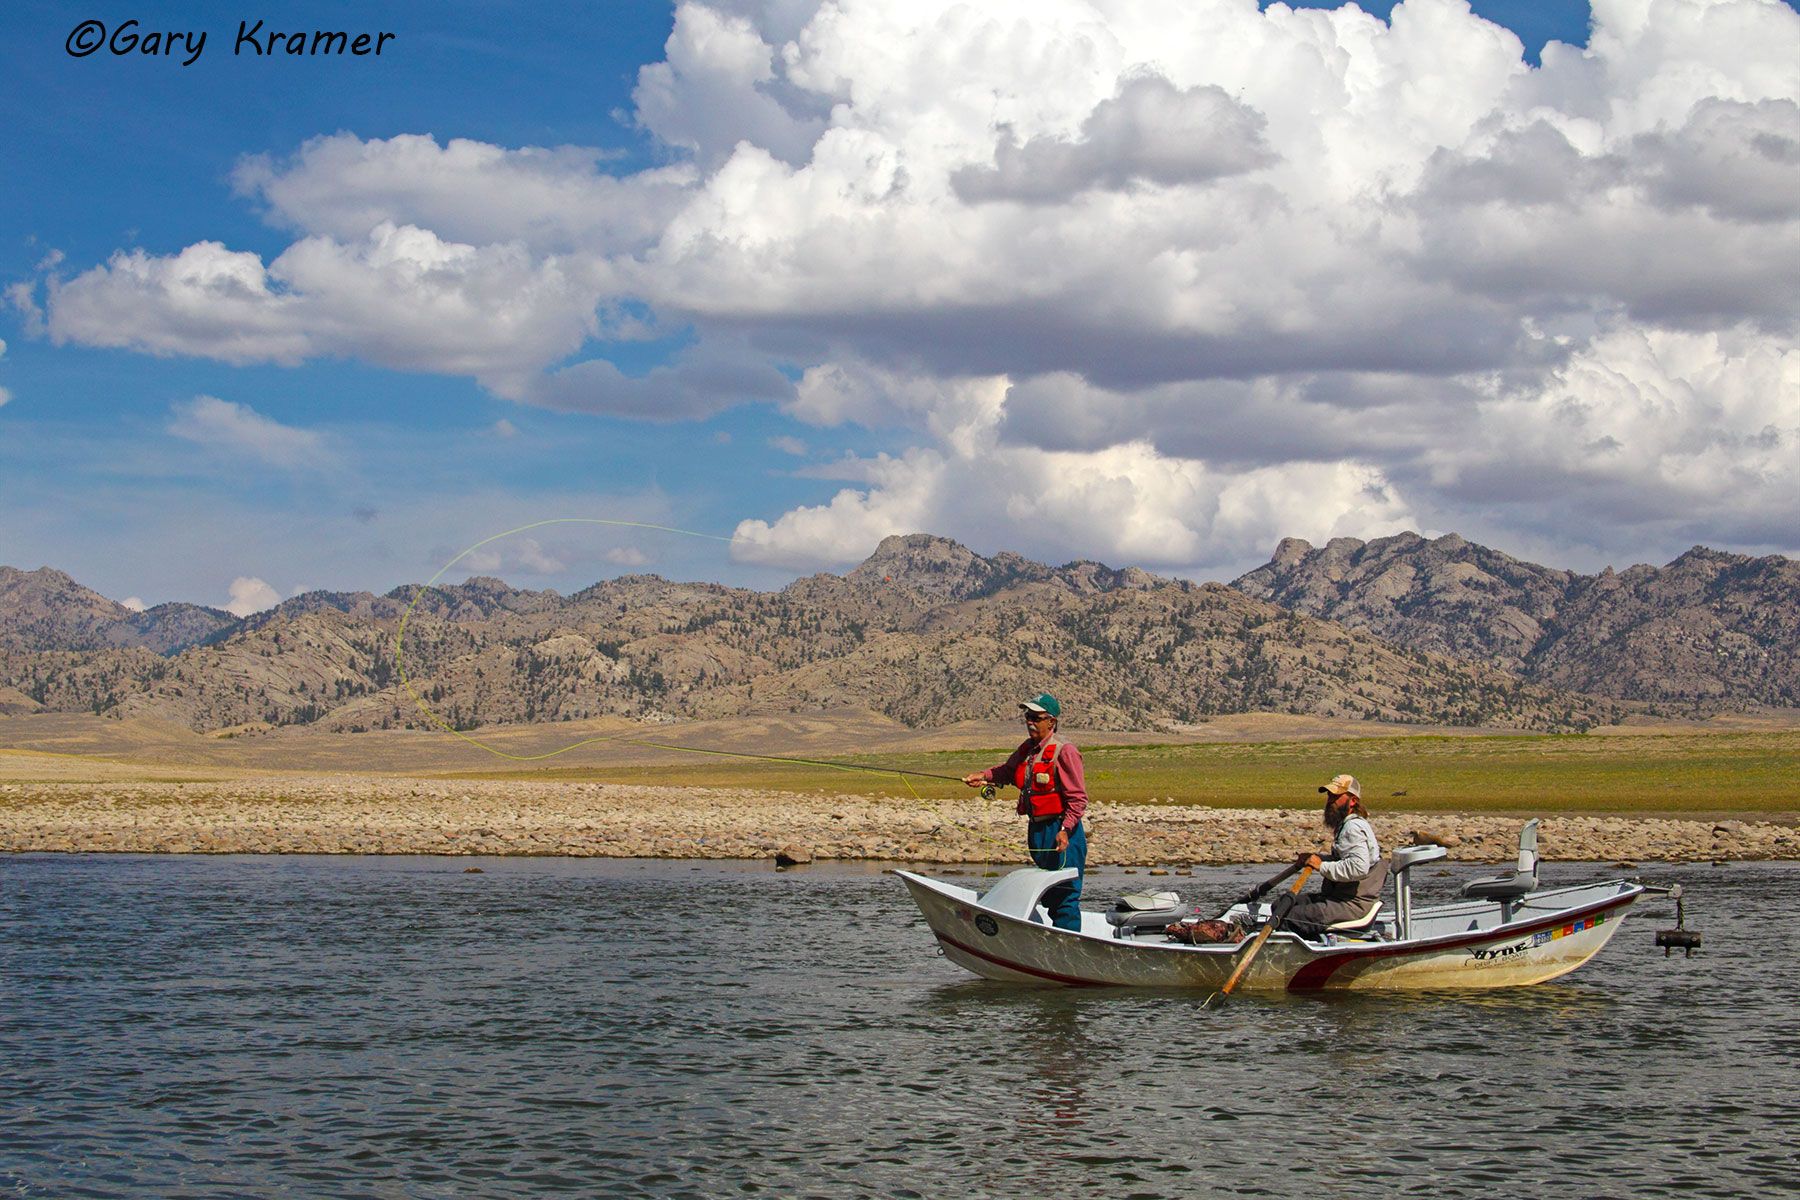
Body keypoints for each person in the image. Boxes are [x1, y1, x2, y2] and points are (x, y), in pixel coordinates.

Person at [961, 692, 1089, 931]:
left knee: (1065, 896)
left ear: (1051, 722)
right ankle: (1054, 939)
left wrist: (1065, 830)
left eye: (1036, 718)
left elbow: (1078, 799)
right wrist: (983, 776)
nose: (1030, 722)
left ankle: (1069, 945)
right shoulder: (1027, 750)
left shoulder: (1065, 751)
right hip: (1037, 831)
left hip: (1062, 833)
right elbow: (1008, 772)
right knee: (1048, 894)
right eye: (1028, 717)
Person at [1280, 774, 1386, 938]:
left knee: (1290, 917)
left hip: (1352, 905)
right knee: (1281, 905)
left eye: (1336, 796)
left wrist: (1321, 866)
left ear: (1353, 801)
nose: (1330, 801)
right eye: (1330, 795)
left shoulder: (1353, 828)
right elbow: (1343, 861)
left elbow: (1358, 868)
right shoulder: (1346, 825)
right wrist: (1316, 859)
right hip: (1338, 899)